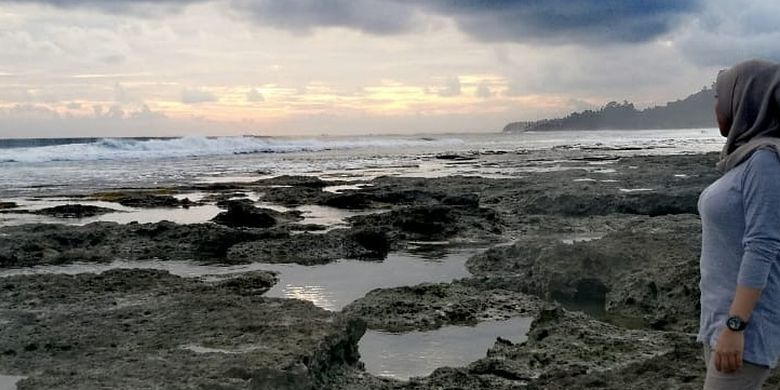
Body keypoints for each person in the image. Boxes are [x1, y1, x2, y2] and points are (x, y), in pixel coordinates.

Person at [698, 59, 780, 389]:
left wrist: (735, 326)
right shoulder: (745, 159)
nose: (717, 106)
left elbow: (762, 247)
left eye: (720, 97)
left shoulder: (765, 161)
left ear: (744, 99)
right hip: (721, 322)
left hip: (744, 329)